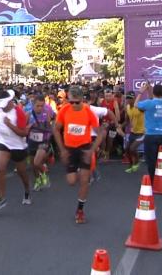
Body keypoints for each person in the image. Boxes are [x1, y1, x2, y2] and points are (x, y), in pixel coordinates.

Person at [54, 86, 102, 224]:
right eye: (71, 102)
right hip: (69, 149)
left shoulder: (88, 111)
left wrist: (91, 150)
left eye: (77, 102)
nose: (74, 105)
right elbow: (56, 130)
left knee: (84, 181)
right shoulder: (64, 110)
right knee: (71, 181)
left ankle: (80, 210)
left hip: (84, 149)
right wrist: (62, 149)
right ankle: (82, 171)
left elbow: (100, 134)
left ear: (82, 99)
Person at [0, 90, 31, 210]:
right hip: (4, 142)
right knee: (0, 168)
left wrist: (9, 125)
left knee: (21, 172)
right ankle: (1, 197)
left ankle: (27, 190)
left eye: (4, 105)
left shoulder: (18, 112)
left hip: (18, 146)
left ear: (10, 102)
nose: (2, 108)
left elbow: (24, 133)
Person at [135, 83, 162, 183]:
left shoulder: (149, 103)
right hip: (161, 135)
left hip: (150, 135)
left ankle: (153, 181)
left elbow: (136, 104)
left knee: (151, 160)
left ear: (154, 92)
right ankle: (159, 178)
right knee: (159, 158)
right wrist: (150, 90)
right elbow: (152, 100)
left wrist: (141, 92)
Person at [27, 95, 55, 192]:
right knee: (33, 165)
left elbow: (52, 123)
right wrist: (28, 127)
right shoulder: (28, 114)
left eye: (42, 106)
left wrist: (50, 131)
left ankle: (44, 175)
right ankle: (38, 180)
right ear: (33, 104)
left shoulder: (47, 112)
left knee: (37, 162)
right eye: (38, 106)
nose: (40, 108)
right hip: (32, 141)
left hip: (43, 141)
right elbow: (24, 128)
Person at [121, 91, 145, 173]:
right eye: (127, 98)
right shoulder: (127, 107)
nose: (128, 100)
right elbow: (126, 121)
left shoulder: (140, 107)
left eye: (130, 98)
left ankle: (137, 163)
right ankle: (131, 165)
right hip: (133, 132)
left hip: (142, 132)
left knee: (132, 148)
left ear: (134, 98)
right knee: (127, 149)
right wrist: (120, 126)